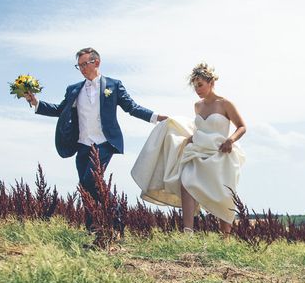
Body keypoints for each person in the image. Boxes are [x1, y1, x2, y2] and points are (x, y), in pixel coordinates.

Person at [23, 47, 167, 226]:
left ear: (96, 62)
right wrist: (35, 102)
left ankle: (117, 216)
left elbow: (132, 107)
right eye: (79, 66)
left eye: (85, 64)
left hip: (105, 143)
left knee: (90, 180)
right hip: (82, 144)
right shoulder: (73, 89)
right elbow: (60, 110)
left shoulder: (113, 85)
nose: (82, 68)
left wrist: (156, 117)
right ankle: (94, 230)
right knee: (85, 188)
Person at [131, 62, 246, 236]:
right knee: (187, 182)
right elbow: (200, 128)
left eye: (200, 85)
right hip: (198, 151)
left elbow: (242, 126)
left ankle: (226, 237)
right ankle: (188, 233)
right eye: (195, 86)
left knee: (223, 194)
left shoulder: (225, 104)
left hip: (221, 152)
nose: (197, 89)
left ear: (211, 82)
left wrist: (231, 140)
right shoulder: (197, 106)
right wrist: (190, 138)